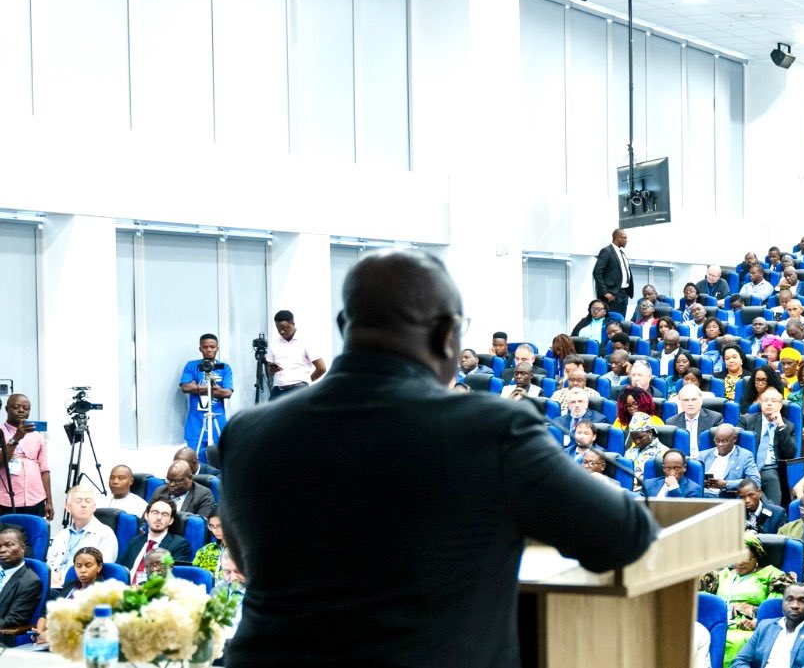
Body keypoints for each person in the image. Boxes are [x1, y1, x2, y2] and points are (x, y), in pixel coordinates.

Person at [219, 249, 657, 667]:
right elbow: (623, 536)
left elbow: (247, 556)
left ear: (343, 325)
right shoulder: (491, 430)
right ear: (447, 335)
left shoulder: (248, 433)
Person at [709, 537, 798, 668]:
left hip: (749, 626)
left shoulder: (771, 574)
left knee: (734, 642)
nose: (739, 563)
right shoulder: (723, 575)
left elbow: (773, 608)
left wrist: (757, 622)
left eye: (745, 558)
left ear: (756, 558)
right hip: (719, 624)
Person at [730, 583, 804, 668]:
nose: (795, 605)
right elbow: (740, 660)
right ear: (782, 603)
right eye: (790, 599)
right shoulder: (765, 626)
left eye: (802, 601)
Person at [0, 393, 52, 518]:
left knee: (34, 530)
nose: (21, 410)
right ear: (6, 409)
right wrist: (16, 438)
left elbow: (44, 470)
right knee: (8, 531)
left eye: (26, 408)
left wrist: (49, 501)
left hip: (36, 499)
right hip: (6, 500)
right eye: (16, 407)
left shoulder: (37, 436)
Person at [44, 486, 118, 591]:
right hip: (53, 584)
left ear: (94, 507)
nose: (83, 505)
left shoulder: (105, 534)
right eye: (78, 501)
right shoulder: (62, 534)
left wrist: (63, 576)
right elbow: (50, 562)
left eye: (88, 501)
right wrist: (51, 576)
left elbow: (99, 569)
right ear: (68, 507)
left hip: (81, 588)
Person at [117, 497, 192, 584]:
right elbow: (120, 569)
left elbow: (170, 579)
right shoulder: (136, 541)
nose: (159, 517)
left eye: (165, 514)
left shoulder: (179, 545)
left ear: (171, 521)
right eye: (155, 512)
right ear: (146, 515)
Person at [180, 333, 234, 450]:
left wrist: (196, 388)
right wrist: (214, 388)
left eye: (212, 347)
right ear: (200, 349)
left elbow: (227, 393)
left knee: (218, 457)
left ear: (217, 348)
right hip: (196, 423)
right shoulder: (192, 366)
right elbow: (185, 388)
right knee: (195, 457)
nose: (209, 350)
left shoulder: (224, 368)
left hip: (218, 421)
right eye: (205, 347)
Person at [747, 387, 798, 507]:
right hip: (749, 465)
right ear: (760, 403)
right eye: (765, 400)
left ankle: (772, 512)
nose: (769, 403)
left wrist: (780, 426)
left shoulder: (788, 426)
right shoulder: (747, 420)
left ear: (780, 406)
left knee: (770, 478)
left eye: (773, 401)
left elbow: (790, 453)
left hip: (770, 467)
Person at [265, 310, 326, 399]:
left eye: (285, 328)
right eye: (279, 329)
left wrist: (305, 382)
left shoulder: (305, 341)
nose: (282, 332)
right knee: (271, 408)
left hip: (298, 389)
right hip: (277, 390)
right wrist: (271, 369)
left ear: (293, 324)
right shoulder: (273, 344)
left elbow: (321, 368)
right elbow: (269, 372)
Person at [150, 460, 218, 520]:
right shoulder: (160, 491)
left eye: (177, 481)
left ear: (190, 478)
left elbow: (200, 525)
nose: (172, 484)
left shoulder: (203, 495)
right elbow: (148, 516)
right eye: (169, 480)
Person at [669, 385, 724, 456]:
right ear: (680, 403)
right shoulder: (671, 422)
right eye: (686, 400)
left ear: (701, 401)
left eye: (694, 399)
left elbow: (720, 446)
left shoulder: (715, 418)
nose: (690, 404)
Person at [593, 228, 635, 317]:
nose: (627, 241)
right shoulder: (607, 251)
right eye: (625, 238)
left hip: (624, 293)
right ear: (618, 238)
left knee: (622, 320)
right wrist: (604, 292)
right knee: (613, 320)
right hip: (613, 295)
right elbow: (597, 272)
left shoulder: (622, 253)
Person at [191, 513, 227, 577]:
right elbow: (193, 575)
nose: (215, 530)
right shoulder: (205, 550)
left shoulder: (241, 552)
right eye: (212, 526)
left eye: (219, 526)